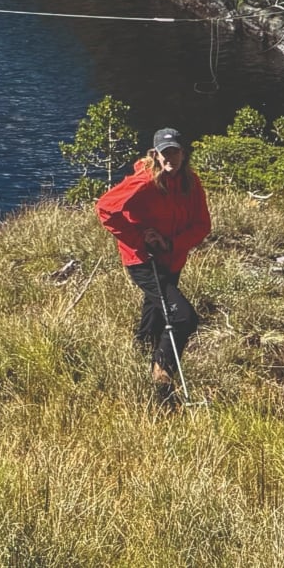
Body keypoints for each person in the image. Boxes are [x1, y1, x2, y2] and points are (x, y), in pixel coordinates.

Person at [95, 127, 211, 395]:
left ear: (184, 153)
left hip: (172, 259)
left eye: (175, 151)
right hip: (142, 260)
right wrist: (139, 237)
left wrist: (171, 244)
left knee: (156, 314)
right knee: (183, 317)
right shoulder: (144, 181)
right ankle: (162, 378)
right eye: (164, 153)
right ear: (156, 155)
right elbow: (105, 208)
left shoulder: (191, 183)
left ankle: (138, 359)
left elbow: (202, 225)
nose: (170, 157)